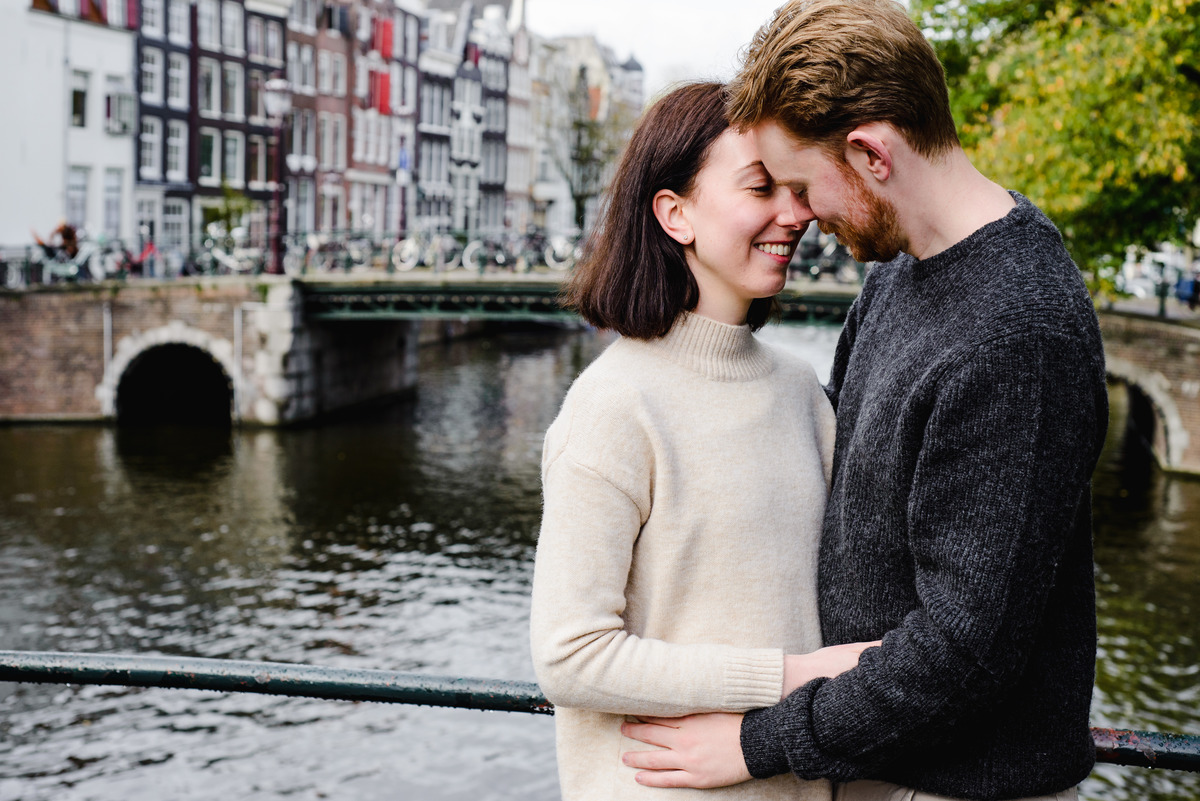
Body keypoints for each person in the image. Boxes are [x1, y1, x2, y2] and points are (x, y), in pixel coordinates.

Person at [620, 3, 1109, 800]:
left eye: (807, 185)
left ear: (870, 154)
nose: (801, 214)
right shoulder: (899, 272)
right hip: (881, 764)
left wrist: (757, 741)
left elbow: (964, 650)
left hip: (956, 782)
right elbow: (836, 460)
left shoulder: (1017, 333)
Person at [529, 81, 877, 801]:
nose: (797, 212)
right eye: (761, 188)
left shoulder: (801, 392)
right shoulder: (613, 406)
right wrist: (787, 677)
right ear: (675, 213)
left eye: (795, 187)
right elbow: (569, 654)